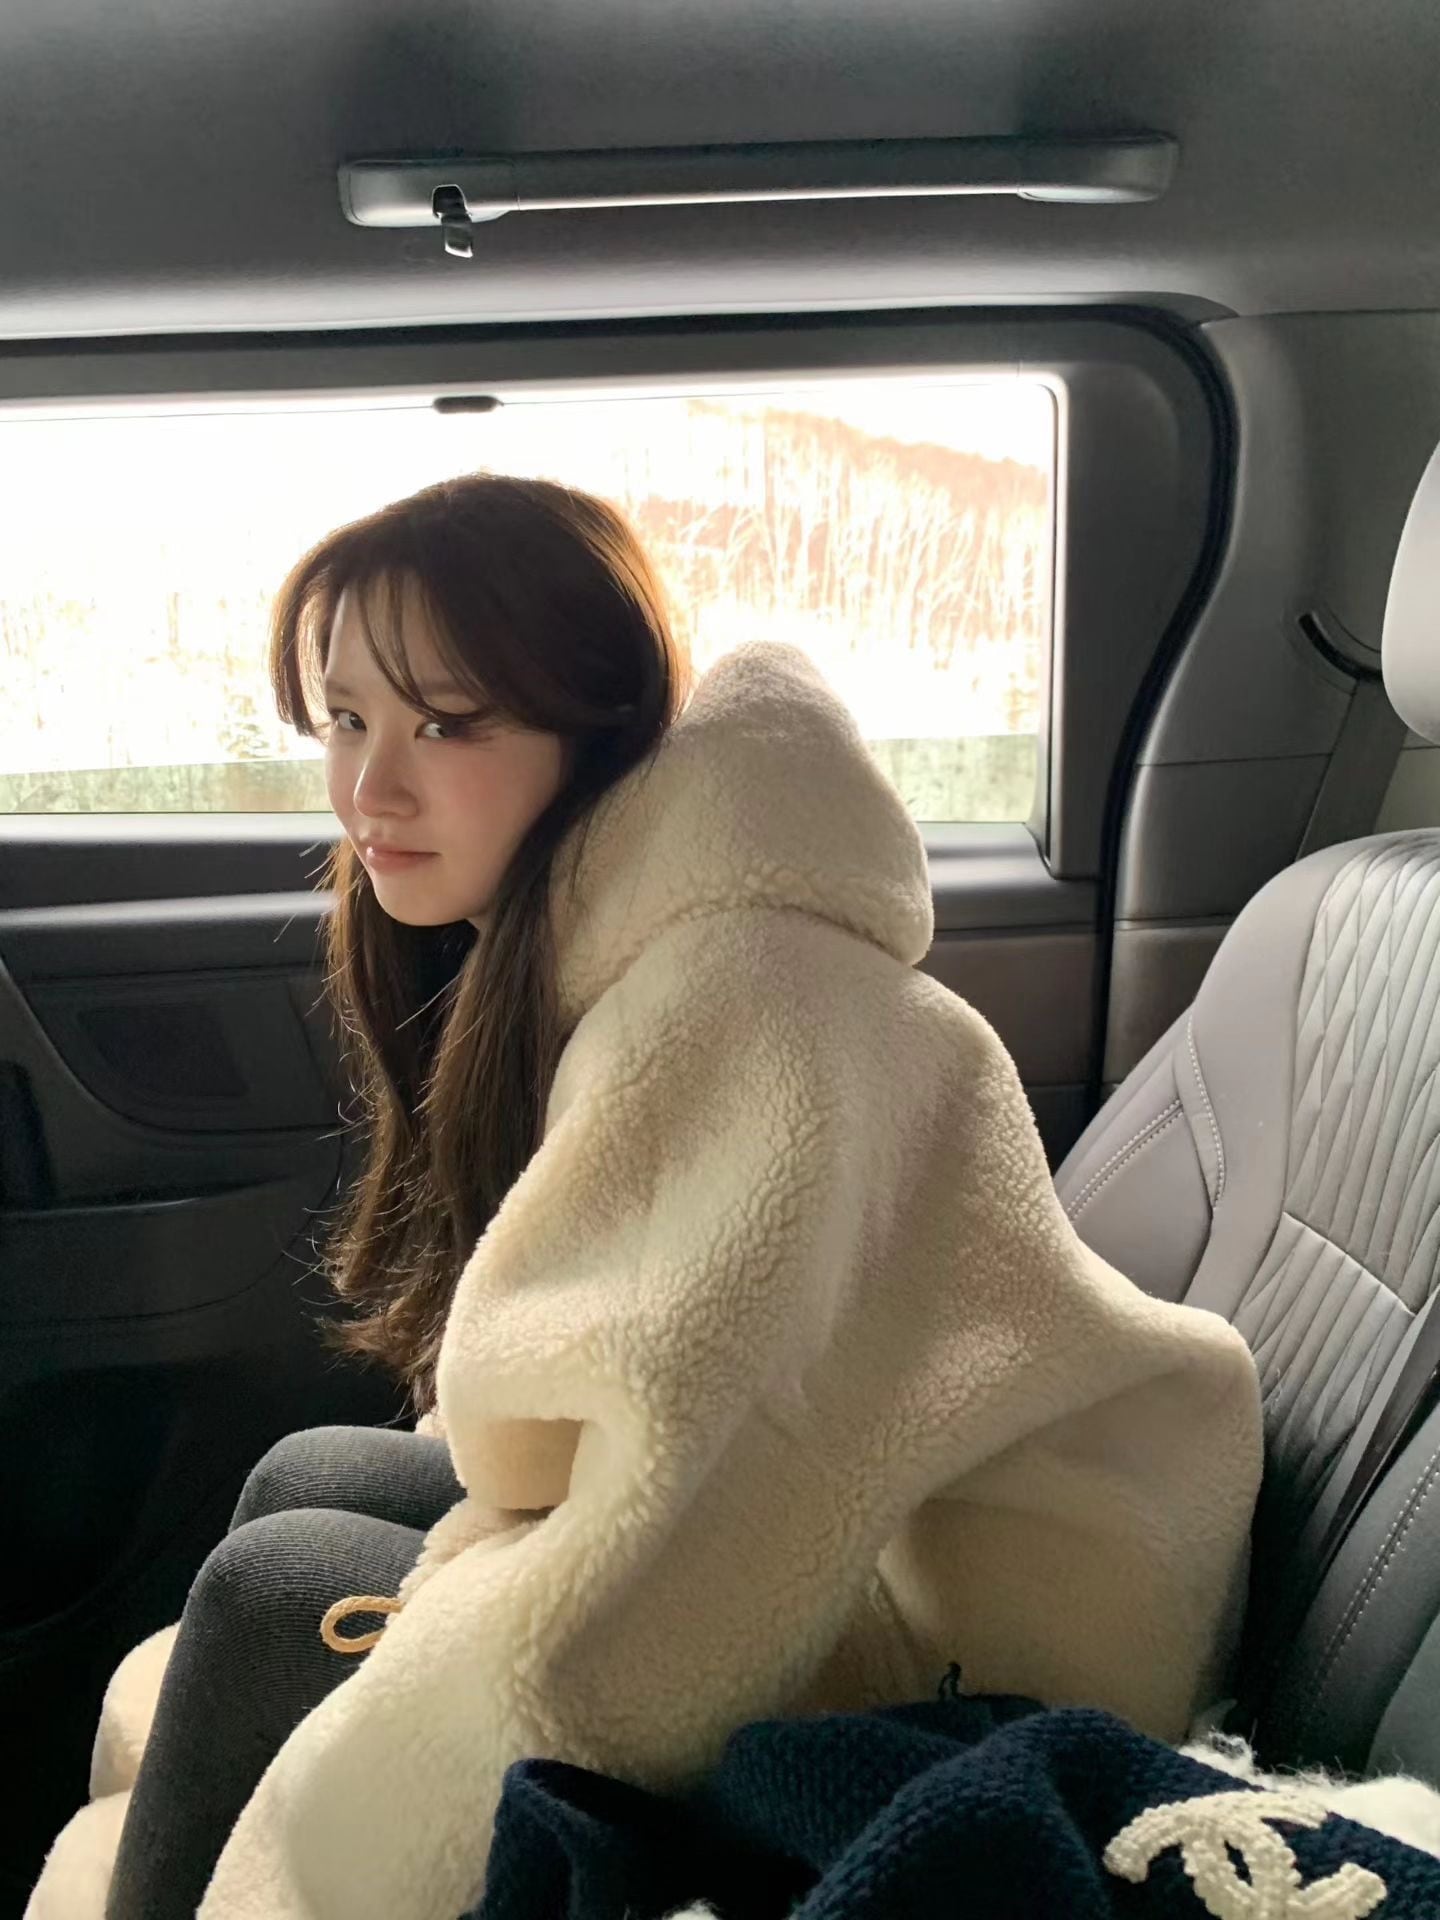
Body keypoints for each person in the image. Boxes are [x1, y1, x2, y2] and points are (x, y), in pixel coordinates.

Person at [28, 473, 1263, 1920]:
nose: (371, 788)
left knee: (275, 1588)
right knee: (309, 1479)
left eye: (449, 724)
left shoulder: (750, 1004)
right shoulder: (600, 950)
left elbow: (718, 1512)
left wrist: (386, 1801)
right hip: (856, 1517)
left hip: (980, 1618)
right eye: (346, 719)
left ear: (596, 727)